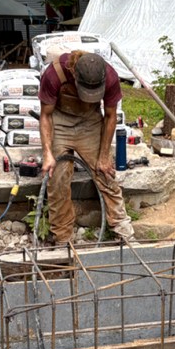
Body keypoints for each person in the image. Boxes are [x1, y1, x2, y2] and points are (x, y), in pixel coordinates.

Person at [38, 51, 135, 245]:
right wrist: (48, 153)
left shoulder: (110, 76)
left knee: (105, 173)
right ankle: (62, 238)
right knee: (57, 177)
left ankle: (123, 230)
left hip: (90, 122)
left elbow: (110, 116)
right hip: (60, 122)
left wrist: (104, 155)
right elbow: (46, 115)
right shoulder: (55, 73)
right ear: (74, 73)